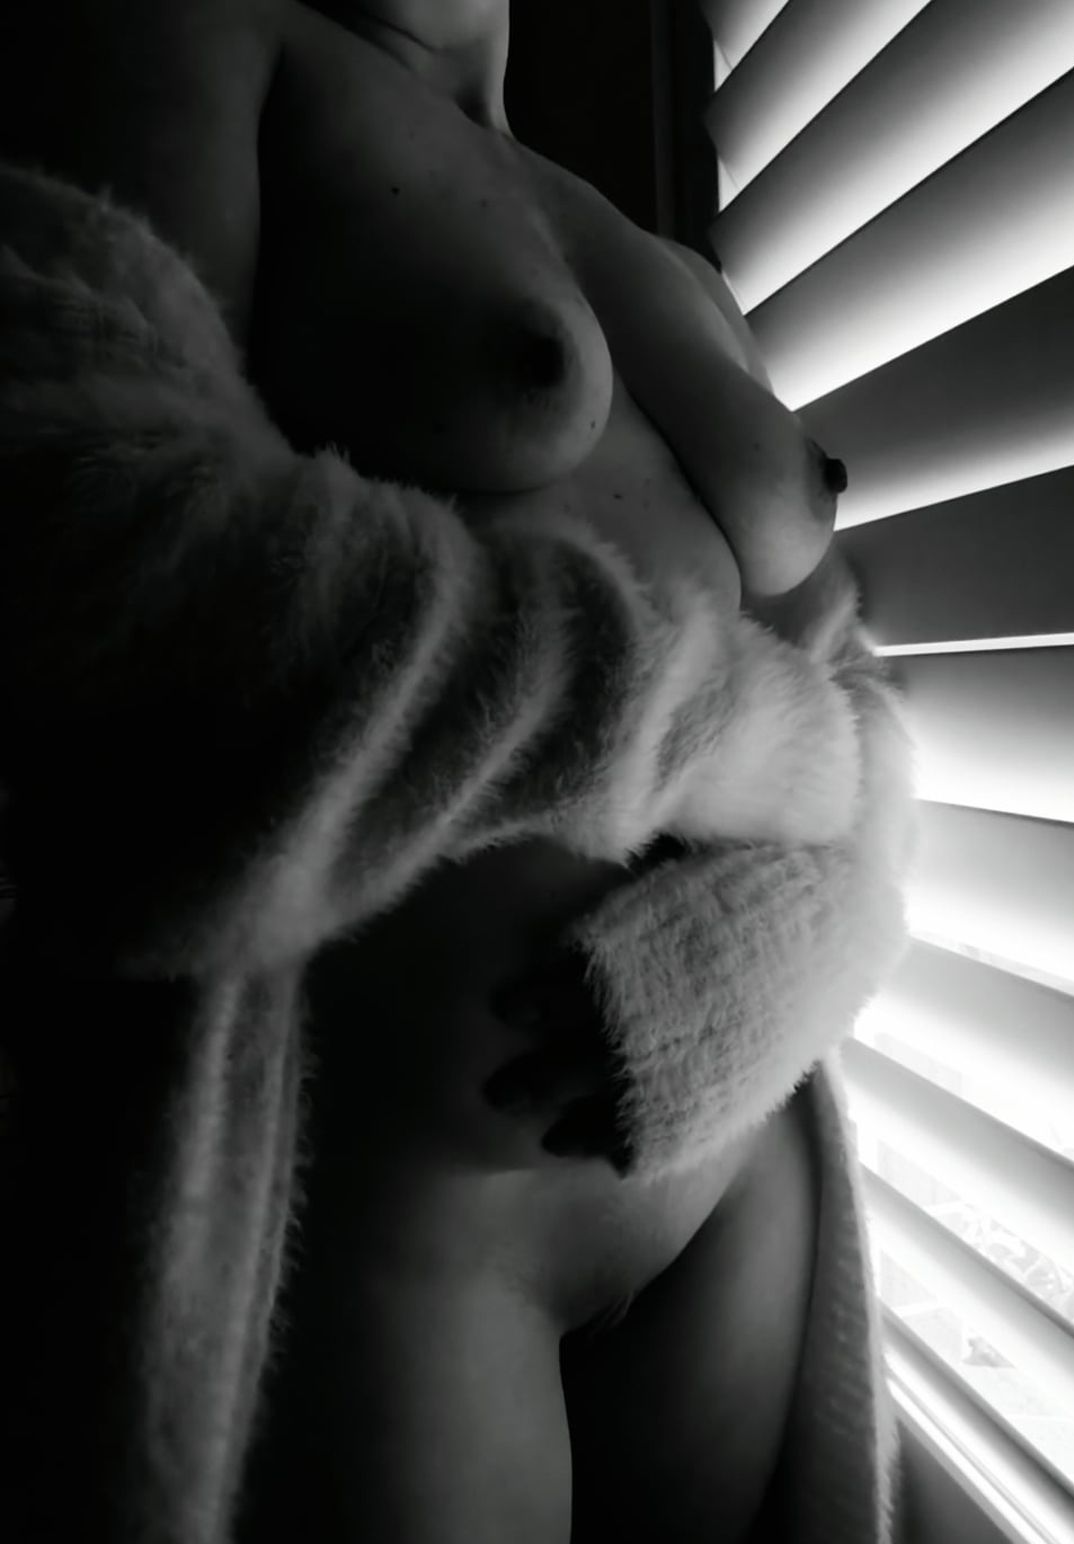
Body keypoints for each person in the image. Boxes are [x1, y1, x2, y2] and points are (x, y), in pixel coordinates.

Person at [0, 2, 914, 1541]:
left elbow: (856, 701)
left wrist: (806, 940)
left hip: (740, 1171)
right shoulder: (186, 46)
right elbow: (101, 577)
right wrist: (731, 734)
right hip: (404, 1239)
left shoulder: (678, 266)